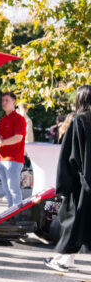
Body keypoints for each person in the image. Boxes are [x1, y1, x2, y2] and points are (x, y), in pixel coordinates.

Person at [45, 86, 91, 272]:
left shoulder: (79, 120)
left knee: (73, 219)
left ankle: (64, 259)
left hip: (81, 181)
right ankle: (65, 257)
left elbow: (70, 156)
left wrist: (64, 184)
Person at [0, 92, 27, 208]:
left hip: (13, 159)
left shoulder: (19, 119)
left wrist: (2, 142)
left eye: (7, 100)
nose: (4, 103)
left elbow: (18, 138)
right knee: (7, 191)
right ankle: (10, 214)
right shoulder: (3, 120)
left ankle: (17, 214)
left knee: (14, 190)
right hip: (1, 158)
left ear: (14, 102)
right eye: (3, 100)